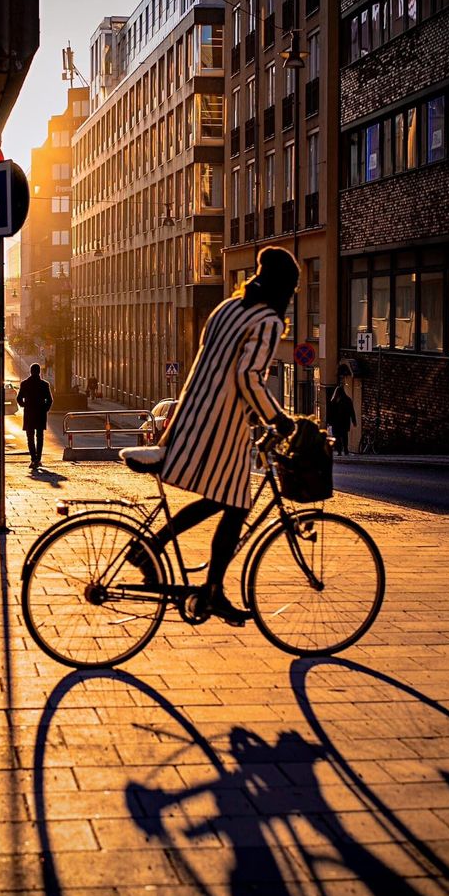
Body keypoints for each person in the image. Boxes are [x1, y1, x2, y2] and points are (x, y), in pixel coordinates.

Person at [129, 246, 300, 626]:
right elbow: (247, 377)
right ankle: (212, 591)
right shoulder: (268, 321)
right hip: (222, 427)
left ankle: (151, 548)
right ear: (285, 289)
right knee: (237, 505)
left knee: (220, 498)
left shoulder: (226, 308)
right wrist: (279, 419)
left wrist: (174, 429)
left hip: (192, 417)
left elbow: (208, 365)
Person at [16, 363, 53, 470]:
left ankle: (33, 459)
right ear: (39, 372)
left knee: (30, 437)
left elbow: (19, 398)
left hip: (29, 414)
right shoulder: (44, 384)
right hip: (40, 414)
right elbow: (50, 400)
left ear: (31, 371)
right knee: (40, 437)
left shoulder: (25, 384)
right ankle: (38, 459)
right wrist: (44, 409)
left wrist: (25, 406)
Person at [328, 384, 356, 456]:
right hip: (344, 421)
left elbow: (330, 412)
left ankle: (340, 451)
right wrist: (353, 420)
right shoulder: (347, 400)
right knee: (344, 436)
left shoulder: (333, 401)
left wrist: (329, 421)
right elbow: (351, 411)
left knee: (337, 437)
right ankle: (345, 450)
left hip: (336, 422)